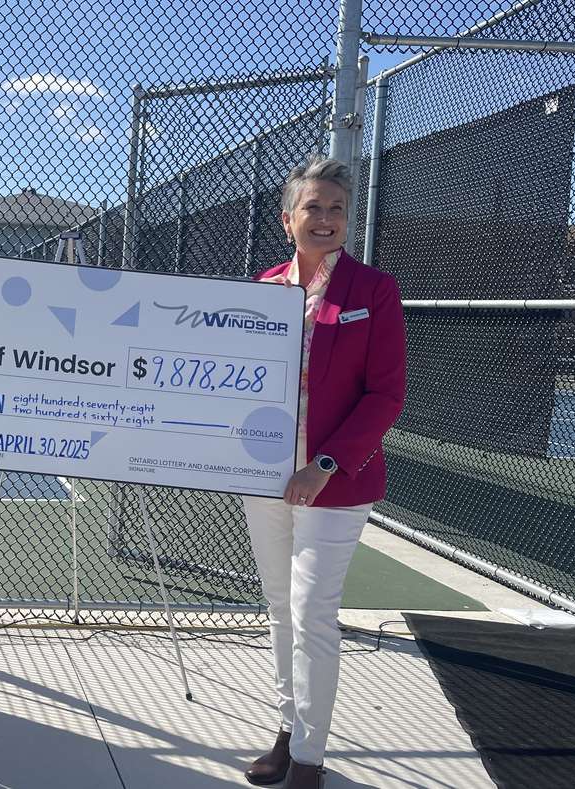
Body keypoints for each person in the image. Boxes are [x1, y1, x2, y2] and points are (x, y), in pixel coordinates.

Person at [242, 156, 406, 789]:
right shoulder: (263, 289)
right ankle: (288, 729)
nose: (326, 219)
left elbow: (385, 395)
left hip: (335, 483)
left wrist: (324, 465)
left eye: (337, 209)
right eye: (313, 207)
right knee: (281, 609)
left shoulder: (373, 291)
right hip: (268, 481)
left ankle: (309, 758)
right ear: (289, 220)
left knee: (313, 611)